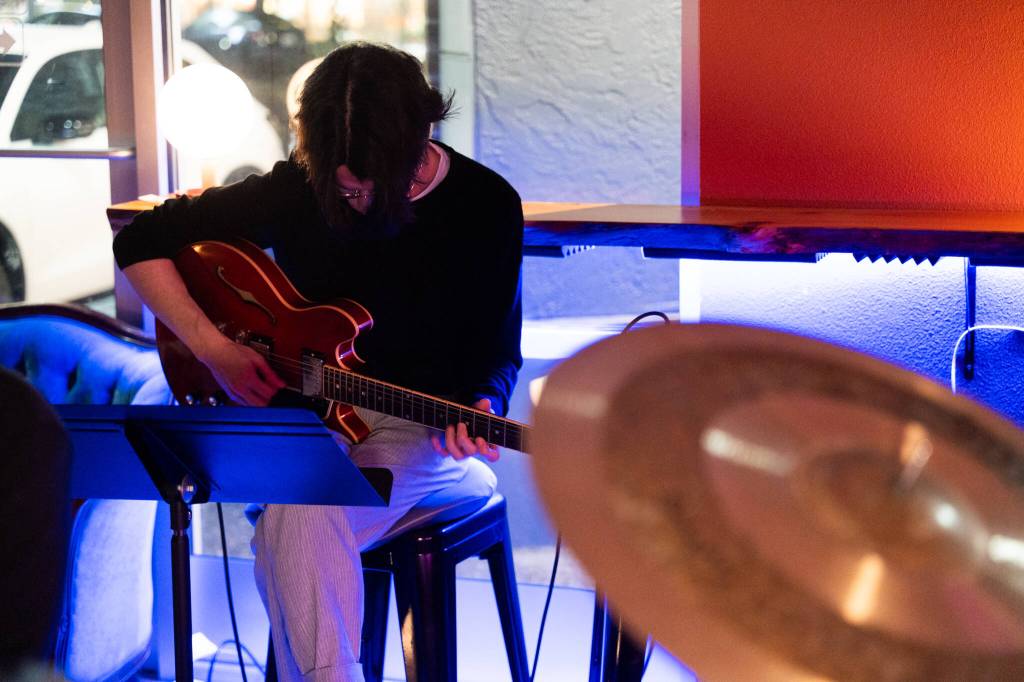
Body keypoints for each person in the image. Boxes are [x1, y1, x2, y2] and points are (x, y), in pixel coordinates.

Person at [113, 42, 523, 681]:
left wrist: (483, 406)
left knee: (294, 518)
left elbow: (496, 353)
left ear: (418, 144)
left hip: (422, 439)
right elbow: (139, 240)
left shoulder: (485, 205)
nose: (351, 199)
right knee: (299, 510)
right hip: (315, 428)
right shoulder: (303, 187)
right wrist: (215, 349)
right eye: (340, 185)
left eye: (366, 188)